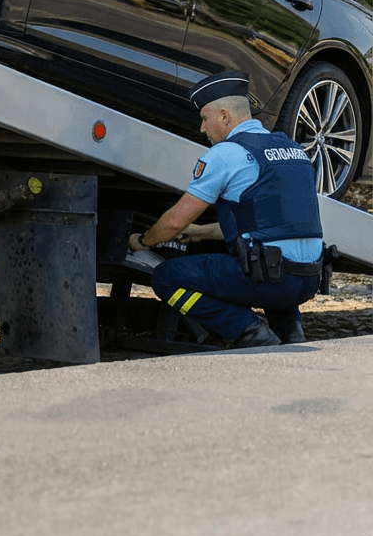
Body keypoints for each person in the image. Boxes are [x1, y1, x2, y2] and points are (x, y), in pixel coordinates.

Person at [128, 70, 324, 347]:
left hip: (270, 282)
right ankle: (291, 334)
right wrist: (199, 232)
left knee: (166, 277)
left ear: (223, 115)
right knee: (272, 260)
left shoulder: (226, 154)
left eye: (205, 119)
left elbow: (174, 221)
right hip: (307, 281)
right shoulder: (293, 149)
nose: (202, 129)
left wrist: (143, 241)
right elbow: (264, 225)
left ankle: (250, 332)